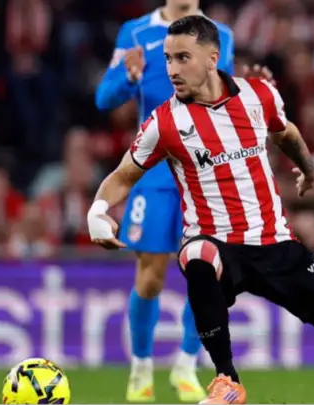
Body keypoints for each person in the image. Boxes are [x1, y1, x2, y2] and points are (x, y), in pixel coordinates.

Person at [88, 15, 314, 405]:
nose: (171, 70)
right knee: (197, 255)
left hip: (275, 244)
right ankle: (226, 380)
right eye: (167, 59)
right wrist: (98, 210)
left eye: (182, 58)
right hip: (218, 245)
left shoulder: (259, 95)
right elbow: (123, 175)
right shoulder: (164, 122)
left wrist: (307, 169)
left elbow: (286, 133)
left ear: (212, 58)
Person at [94, 1, 235, 401]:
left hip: (204, 170)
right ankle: (141, 369)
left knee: (206, 273)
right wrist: (129, 76)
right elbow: (104, 98)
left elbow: (226, 100)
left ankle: (186, 366)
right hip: (155, 173)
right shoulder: (136, 33)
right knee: (151, 276)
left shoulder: (221, 35)